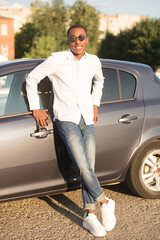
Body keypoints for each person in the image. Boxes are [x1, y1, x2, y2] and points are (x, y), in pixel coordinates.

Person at [26, 24, 116, 237]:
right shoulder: (56, 59)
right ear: (68, 41)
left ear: (87, 40)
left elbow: (100, 81)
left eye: (81, 37)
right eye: (73, 38)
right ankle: (105, 201)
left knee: (89, 167)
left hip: (87, 118)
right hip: (66, 119)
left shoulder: (93, 61)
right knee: (83, 166)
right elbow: (31, 79)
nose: (77, 41)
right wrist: (36, 107)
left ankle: (89, 215)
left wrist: (95, 103)